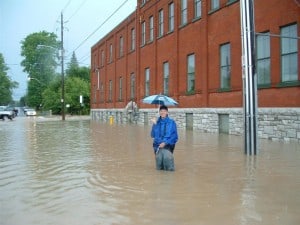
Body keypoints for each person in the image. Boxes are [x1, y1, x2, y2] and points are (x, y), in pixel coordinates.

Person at [151, 105, 178, 171]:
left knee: (168, 164)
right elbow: (153, 135)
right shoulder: (156, 122)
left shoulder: (171, 122)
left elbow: (174, 137)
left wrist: (165, 142)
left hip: (167, 146)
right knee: (159, 166)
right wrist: (154, 125)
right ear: (159, 112)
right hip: (157, 146)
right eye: (161, 111)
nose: (162, 112)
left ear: (167, 112)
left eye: (164, 111)